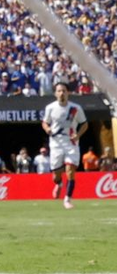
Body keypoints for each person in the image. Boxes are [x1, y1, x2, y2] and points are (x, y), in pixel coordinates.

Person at [42, 81, 88, 210]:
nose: (61, 93)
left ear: (68, 93)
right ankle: (59, 184)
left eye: (64, 90)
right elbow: (45, 122)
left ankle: (67, 198)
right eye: (59, 91)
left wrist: (78, 135)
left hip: (71, 144)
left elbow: (84, 124)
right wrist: (47, 129)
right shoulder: (50, 107)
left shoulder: (76, 108)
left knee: (70, 171)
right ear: (55, 93)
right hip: (56, 144)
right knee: (56, 175)